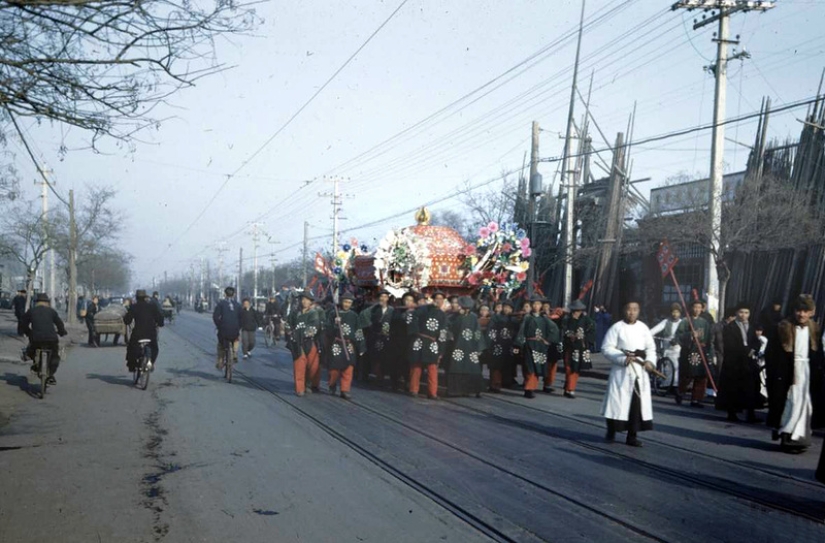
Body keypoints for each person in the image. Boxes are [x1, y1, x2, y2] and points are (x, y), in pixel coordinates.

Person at [765, 295, 822, 452]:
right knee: (790, 403)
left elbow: (818, 354)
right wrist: (776, 372)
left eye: (805, 311)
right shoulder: (782, 328)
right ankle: (787, 436)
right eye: (799, 311)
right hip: (787, 371)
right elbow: (771, 354)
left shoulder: (815, 329)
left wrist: (818, 371)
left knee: (805, 404)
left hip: (807, 371)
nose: (801, 314)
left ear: (812, 312)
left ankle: (801, 439)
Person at [600, 300, 657, 447]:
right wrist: (622, 358)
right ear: (624, 310)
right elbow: (606, 348)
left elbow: (651, 348)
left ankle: (632, 436)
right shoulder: (616, 328)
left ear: (639, 311)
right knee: (617, 402)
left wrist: (650, 361)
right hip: (622, 371)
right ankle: (612, 429)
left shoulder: (643, 328)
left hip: (639, 371)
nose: (631, 312)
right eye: (629, 309)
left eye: (635, 309)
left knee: (636, 405)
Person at [716, 302, 761, 423]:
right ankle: (732, 413)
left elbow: (756, 341)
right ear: (736, 313)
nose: (743, 315)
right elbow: (729, 344)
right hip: (734, 362)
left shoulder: (752, 326)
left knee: (751, 387)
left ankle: (751, 414)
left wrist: (753, 349)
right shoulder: (730, 327)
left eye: (746, 313)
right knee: (732, 387)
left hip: (748, 361)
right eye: (741, 312)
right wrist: (745, 350)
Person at [514, 297, 558, 399]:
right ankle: (529, 388)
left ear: (541, 306)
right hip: (529, 344)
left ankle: (531, 388)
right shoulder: (527, 318)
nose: (536, 306)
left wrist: (548, 340)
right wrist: (518, 344)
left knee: (537, 367)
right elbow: (522, 331)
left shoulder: (544, 319)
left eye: (538, 304)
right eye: (534, 304)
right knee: (530, 367)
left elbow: (554, 329)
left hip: (540, 346)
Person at [408, 290, 448, 400]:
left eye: (441, 299)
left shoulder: (443, 315)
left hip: (432, 342)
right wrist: (415, 334)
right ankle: (413, 389)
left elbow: (443, 332)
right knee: (416, 366)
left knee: (432, 368)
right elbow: (413, 319)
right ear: (433, 299)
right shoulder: (423, 310)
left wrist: (441, 349)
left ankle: (432, 392)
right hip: (420, 340)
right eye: (437, 298)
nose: (438, 301)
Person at [21, 293, 67, 385]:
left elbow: (23, 324)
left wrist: (28, 332)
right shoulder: (51, 311)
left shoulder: (31, 311)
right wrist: (62, 332)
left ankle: (34, 363)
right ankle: (50, 374)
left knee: (32, 350)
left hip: (36, 339)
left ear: (36, 302)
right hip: (51, 339)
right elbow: (59, 323)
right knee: (54, 355)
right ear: (47, 302)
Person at [327, 292, 365, 400]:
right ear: (341, 302)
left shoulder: (354, 316)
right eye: (345, 302)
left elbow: (358, 331)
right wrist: (335, 324)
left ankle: (345, 389)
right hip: (337, 343)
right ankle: (332, 383)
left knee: (349, 367)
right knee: (334, 368)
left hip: (349, 344)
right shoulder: (333, 313)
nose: (347, 304)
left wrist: (361, 346)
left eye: (349, 302)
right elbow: (327, 329)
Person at [675, 300, 713, 407]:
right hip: (689, 351)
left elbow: (709, 339)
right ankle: (680, 392)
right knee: (688, 374)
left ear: (702, 309)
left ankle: (696, 399)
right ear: (691, 308)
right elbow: (678, 336)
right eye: (695, 307)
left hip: (701, 351)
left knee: (701, 375)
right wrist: (690, 335)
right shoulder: (685, 321)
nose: (697, 309)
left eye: (699, 307)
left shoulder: (705, 323)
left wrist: (710, 353)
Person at [446, 296, 485, 397]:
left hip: (471, 346)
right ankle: (455, 390)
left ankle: (472, 390)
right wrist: (450, 336)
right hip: (457, 345)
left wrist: (479, 347)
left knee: (472, 367)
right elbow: (448, 327)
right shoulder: (453, 317)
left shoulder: (473, 317)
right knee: (457, 366)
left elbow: (478, 332)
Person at [287, 291, 322, 396]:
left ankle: (309, 383)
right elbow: (288, 324)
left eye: (307, 299)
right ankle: (300, 388)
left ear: (310, 302)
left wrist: (303, 333)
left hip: (310, 341)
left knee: (313, 366)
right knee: (299, 365)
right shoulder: (294, 313)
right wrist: (290, 332)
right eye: (302, 299)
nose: (304, 301)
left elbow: (315, 326)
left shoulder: (313, 313)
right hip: (297, 343)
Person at [560, 299, 596, 399]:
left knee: (576, 368)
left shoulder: (586, 320)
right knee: (569, 368)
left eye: (578, 310)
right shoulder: (567, 320)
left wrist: (585, 337)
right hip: (569, 347)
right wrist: (570, 336)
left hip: (580, 347)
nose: (576, 312)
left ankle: (570, 388)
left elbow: (592, 330)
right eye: (575, 310)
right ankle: (568, 387)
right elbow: (563, 330)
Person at [124, 290, 164, 372]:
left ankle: (132, 366)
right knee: (154, 348)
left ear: (136, 297)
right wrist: (160, 323)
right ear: (145, 297)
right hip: (151, 334)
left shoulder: (134, 307)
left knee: (131, 348)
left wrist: (126, 318)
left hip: (138, 334)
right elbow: (160, 319)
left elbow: (127, 320)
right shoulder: (152, 306)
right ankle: (150, 363)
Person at [361, 289, 394, 383]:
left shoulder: (392, 310)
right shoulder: (373, 309)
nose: (383, 299)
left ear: (388, 298)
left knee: (384, 356)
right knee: (370, 354)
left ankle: (381, 376)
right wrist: (370, 326)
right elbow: (364, 316)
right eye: (381, 297)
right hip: (374, 334)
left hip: (386, 336)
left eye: (385, 297)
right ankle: (366, 375)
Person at [650, 303, 684, 391]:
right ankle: (667, 384)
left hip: (677, 347)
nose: (675, 314)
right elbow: (656, 329)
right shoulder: (666, 321)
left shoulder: (682, 322)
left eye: (677, 312)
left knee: (675, 365)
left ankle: (675, 384)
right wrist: (649, 334)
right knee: (667, 365)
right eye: (673, 312)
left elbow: (684, 334)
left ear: (680, 313)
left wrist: (678, 340)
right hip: (667, 346)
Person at [388, 291, 417, 392]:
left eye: (411, 300)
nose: (408, 302)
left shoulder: (416, 313)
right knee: (396, 362)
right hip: (397, 340)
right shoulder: (397, 312)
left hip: (410, 341)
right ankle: (394, 383)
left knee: (407, 363)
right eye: (406, 300)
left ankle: (407, 382)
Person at [488, 300, 516, 393]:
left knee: (507, 364)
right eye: (505, 307)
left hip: (509, 345)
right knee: (496, 365)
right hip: (497, 344)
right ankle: (495, 384)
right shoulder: (496, 317)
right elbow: (491, 330)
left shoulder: (514, 320)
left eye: (509, 308)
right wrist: (491, 342)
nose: (507, 309)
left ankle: (506, 381)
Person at [213, 287, 241, 371]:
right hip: (235, 330)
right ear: (234, 294)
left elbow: (215, 317)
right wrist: (238, 327)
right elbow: (242, 318)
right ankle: (235, 353)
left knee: (220, 345)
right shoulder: (237, 305)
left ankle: (220, 360)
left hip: (223, 330)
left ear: (225, 294)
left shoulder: (221, 304)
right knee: (236, 339)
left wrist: (219, 325)